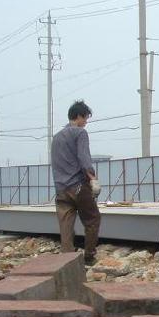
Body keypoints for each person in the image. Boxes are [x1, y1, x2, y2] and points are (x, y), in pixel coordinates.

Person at [51, 100, 101, 264]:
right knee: (92, 219)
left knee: (65, 224)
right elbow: (84, 157)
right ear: (79, 116)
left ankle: (66, 259)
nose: (86, 122)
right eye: (85, 118)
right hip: (78, 186)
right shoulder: (79, 133)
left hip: (61, 189)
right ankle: (89, 256)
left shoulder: (56, 137)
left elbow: (56, 163)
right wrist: (92, 178)